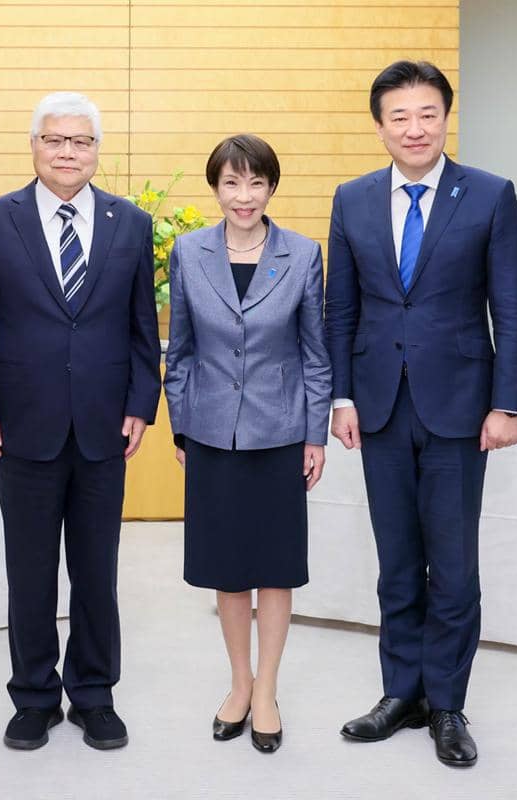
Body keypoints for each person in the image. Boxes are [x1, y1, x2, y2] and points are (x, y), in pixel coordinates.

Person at [325, 61, 517, 767]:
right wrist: (343, 396)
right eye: (399, 117)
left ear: (447, 115)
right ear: (379, 124)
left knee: (453, 565)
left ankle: (446, 703)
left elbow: (511, 306)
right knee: (395, 561)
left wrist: (508, 402)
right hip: (379, 405)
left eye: (427, 114)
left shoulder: (491, 196)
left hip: (460, 408)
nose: (414, 128)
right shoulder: (351, 200)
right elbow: (342, 308)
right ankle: (400, 693)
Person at [0, 92, 161, 751]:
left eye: (82, 141)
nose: (68, 151)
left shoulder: (131, 223)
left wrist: (139, 403)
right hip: (21, 426)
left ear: (97, 150)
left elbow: (140, 330)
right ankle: (35, 697)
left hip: (104, 425)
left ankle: (94, 694)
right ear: (35, 146)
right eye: (55, 139)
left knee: (97, 570)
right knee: (31, 569)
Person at [164, 134, 332, 754]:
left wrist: (314, 434)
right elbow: (178, 352)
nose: (244, 196)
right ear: (216, 189)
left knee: (275, 567)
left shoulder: (303, 254)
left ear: (271, 187)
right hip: (211, 434)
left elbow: (317, 356)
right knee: (228, 568)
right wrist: (182, 425)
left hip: (281, 432)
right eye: (231, 183)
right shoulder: (188, 252)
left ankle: (268, 690)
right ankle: (239, 683)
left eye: (255, 182)